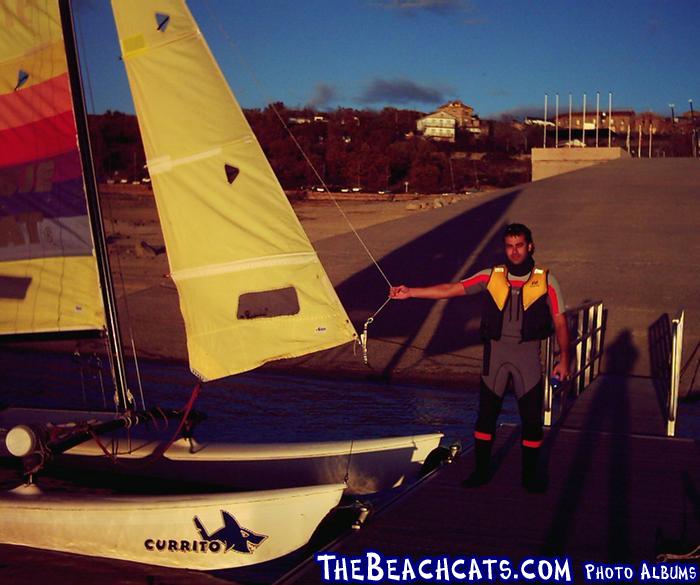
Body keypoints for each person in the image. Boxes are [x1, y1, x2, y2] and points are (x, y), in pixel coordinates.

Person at [389, 223, 569, 493]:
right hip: (495, 358)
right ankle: (481, 472)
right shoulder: (491, 276)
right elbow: (450, 289)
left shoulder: (546, 280)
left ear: (530, 246)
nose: (515, 251)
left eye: (520, 245)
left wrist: (564, 359)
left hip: (528, 359)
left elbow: (560, 322)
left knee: (531, 422)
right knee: (485, 419)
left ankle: (530, 476)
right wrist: (411, 292)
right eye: (510, 246)